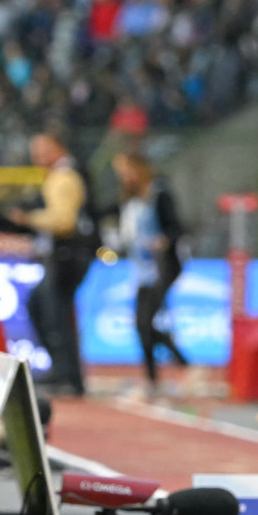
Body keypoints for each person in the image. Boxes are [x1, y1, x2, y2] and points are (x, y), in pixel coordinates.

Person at [3, 130, 97, 395]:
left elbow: (63, 221)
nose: (37, 156)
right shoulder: (63, 175)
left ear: (58, 148)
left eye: (43, 149)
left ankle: (68, 377)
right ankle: (64, 374)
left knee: (55, 314)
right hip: (67, 254)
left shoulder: (63, 177)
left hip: (68, 255)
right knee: (46, 309)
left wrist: (27, 218)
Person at [113, 150, 188, 394]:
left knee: (145, 320)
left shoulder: (159, 192)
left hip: (164, 266)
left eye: (125, 171)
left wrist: (164, 240)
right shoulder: (130, 199)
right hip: (142, 270)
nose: (122, 177)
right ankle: (160, 372)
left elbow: (177, 227)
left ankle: (166, 371)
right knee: (140, 323)